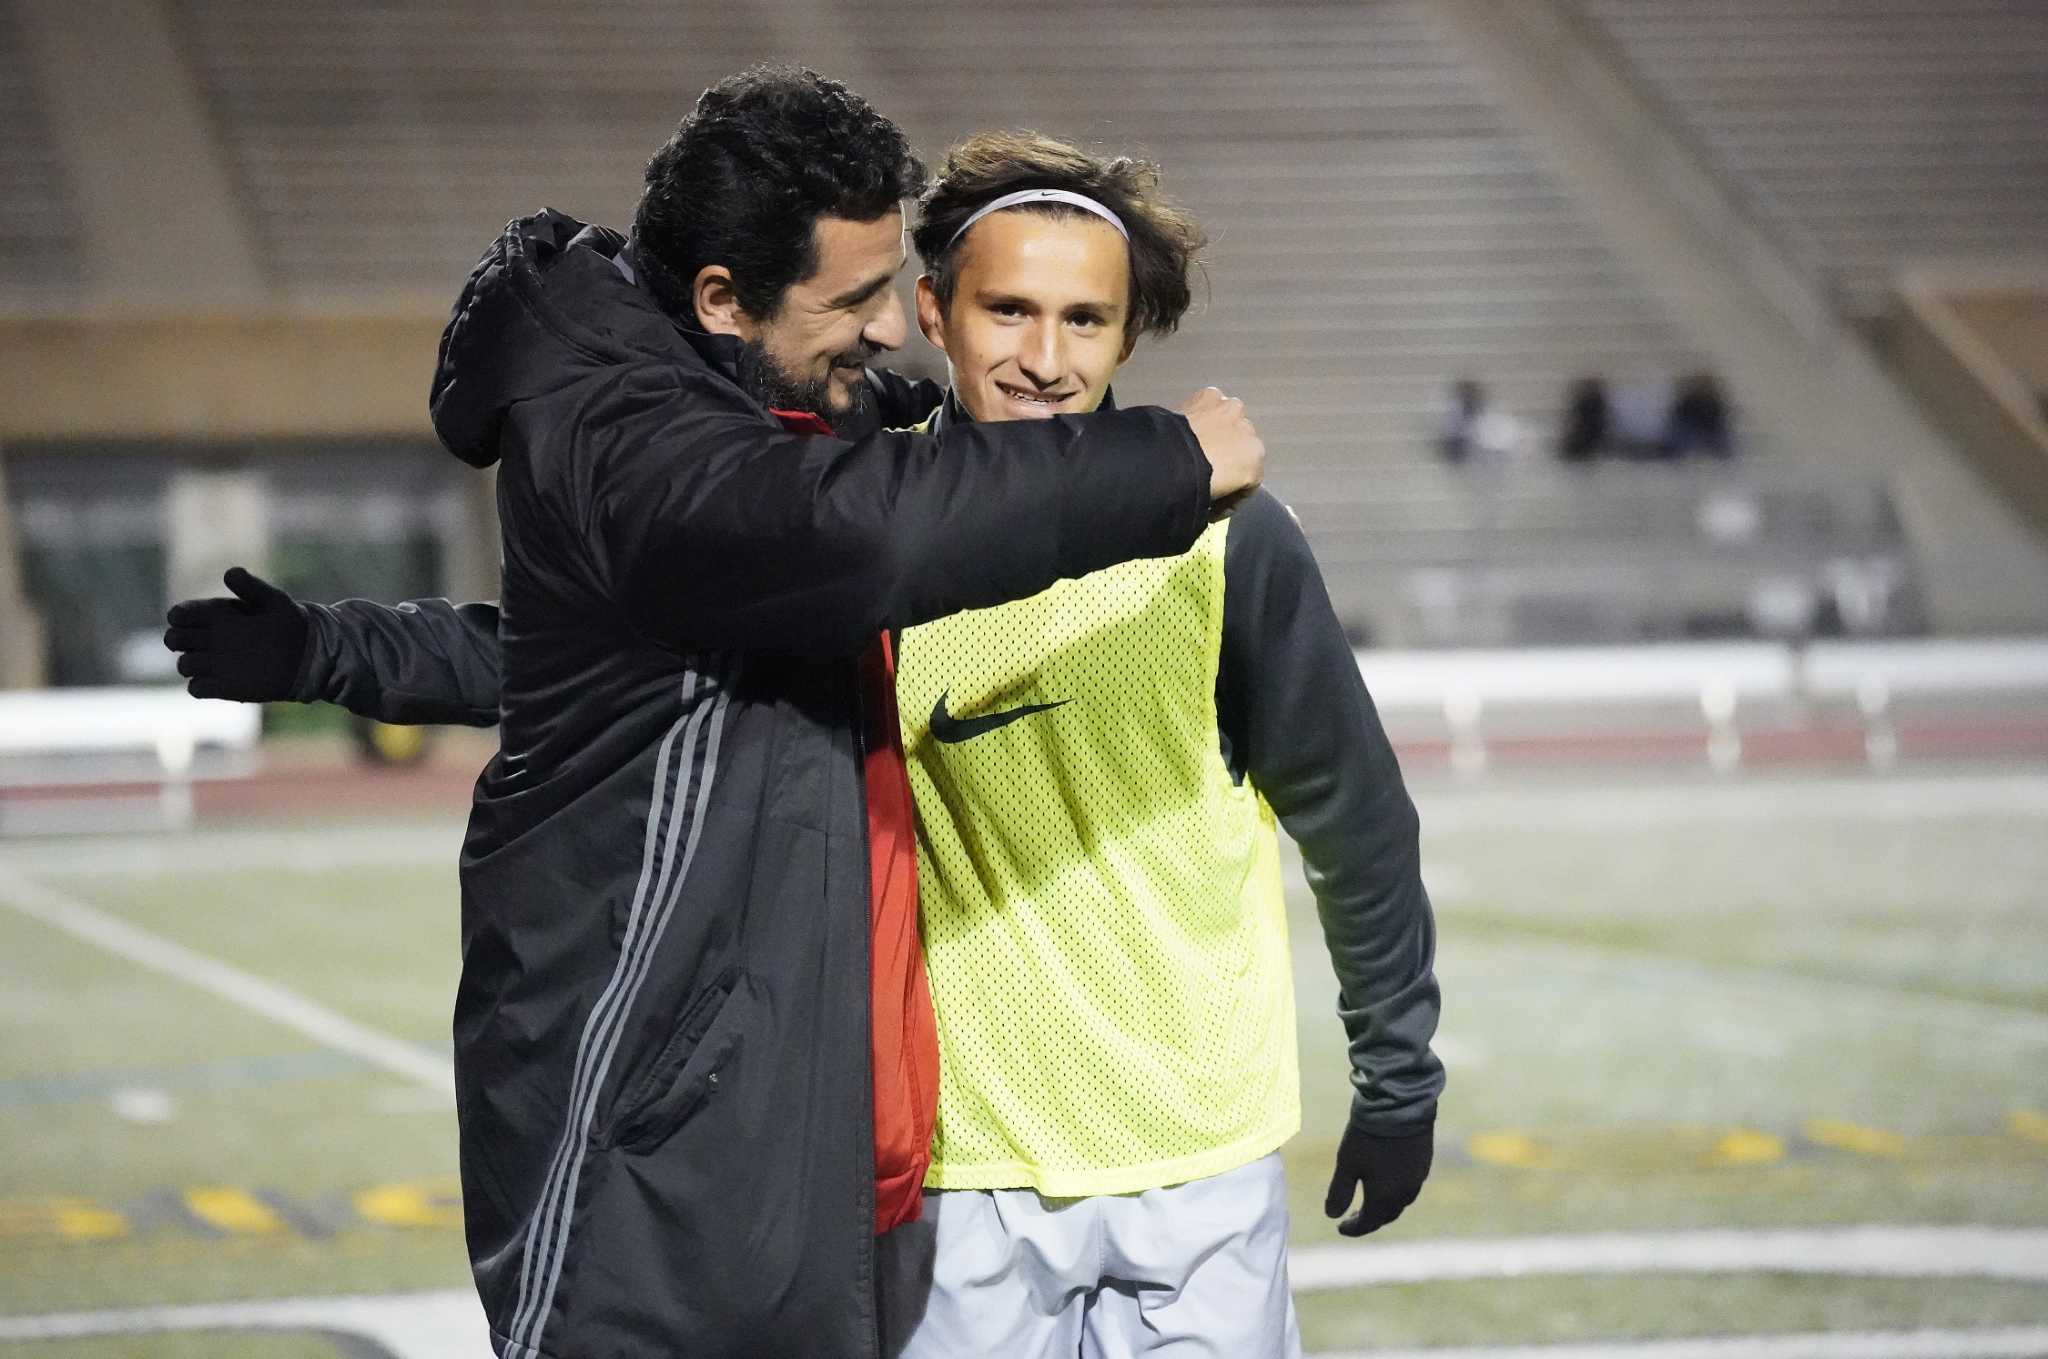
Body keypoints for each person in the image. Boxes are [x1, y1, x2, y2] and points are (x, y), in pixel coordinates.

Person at [173, 131, 1432, 1358]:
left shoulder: (1227, 541)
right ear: (931, 313)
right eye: (1005, 313)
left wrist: (1397, 1074)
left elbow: (1355, 821)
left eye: (1085, 321)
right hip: (957, 1177)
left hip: (1200, 1155)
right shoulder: (856, 517)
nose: (1044, 359)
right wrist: (331, 651)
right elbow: (596, 660)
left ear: (1131, 333)